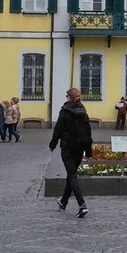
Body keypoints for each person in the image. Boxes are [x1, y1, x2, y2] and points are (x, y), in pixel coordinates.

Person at [50, 88, 92, 218]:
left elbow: (58, 129)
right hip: (79, 148)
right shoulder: (83, 111)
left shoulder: (65, 111)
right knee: (71, 175)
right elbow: (88, 131)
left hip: (67, 147)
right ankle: (63, 202)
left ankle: (82, 205)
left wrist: (53, 144)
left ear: (69, 97)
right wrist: (88, 150)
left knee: (72, 175)